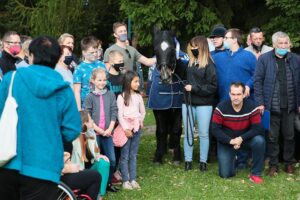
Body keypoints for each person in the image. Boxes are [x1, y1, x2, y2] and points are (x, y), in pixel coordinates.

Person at [0, 36, 81, 199]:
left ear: (31, 55)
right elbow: (72, 129)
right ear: (58, 58)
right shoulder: (63, 90)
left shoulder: (11, 79)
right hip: (44, 165)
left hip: (8, 160)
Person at [254, 31, 300, 176]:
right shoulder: (264, 59)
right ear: (274, 44)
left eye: (286, 43)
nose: (283, 46)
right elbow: (257, 81)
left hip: (290, 106)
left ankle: (289, 163)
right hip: (270, 107)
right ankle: (273, 165)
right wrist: (260, 102)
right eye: (280, 43)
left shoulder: (296, 59)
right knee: (272, 137)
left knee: (290, 136)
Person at [212, 82, 265, 184]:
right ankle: (232, 160)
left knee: (259, 141)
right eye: (233, 94)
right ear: (229, 94)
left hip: (245, 139)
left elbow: (257, 128)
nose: (235, 97)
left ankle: (255, 174)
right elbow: (215, 129)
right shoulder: (221, 107)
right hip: (227, 140)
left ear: (244, 94)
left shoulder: (252, 106)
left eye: (239, 94)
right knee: (225, 174)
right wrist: (230, 141)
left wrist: (241, 138)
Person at [183, 36, 217, 171]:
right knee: (188, 132)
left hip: (204, 103)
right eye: (191, 46)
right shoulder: (189, 63)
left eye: (195, 46)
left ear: (202, 47)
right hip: (188, 102)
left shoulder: (209, 64)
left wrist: (195, 88)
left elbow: (213, 87)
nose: (193, 49)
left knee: (203, 133)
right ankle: (188, 161)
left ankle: (203, 161)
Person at [84, 68, 119, 192]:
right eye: (99, 80)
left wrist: (110, 128)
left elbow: (114, 110)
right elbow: (87, 116)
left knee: (112, 159)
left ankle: (108, 183)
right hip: (95, 134)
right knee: (96, 159)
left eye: (104, 80)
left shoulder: (110, 94)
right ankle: (96, 184)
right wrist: (98, 129)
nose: (102, 82)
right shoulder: (89, 97)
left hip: (108, 132)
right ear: (93, 81)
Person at [67, 110, 110, 199]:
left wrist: (99, 156)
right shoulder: (73, 138)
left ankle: (99, 196)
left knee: (104, 163)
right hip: (78, 170)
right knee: (93, 174)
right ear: (85, 123)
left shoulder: (91, 134)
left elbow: (95, 153)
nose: (93, 121)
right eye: (90, 119)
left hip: (90, 168)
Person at [117, 71, 146, 190]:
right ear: (128, 82)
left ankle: (133, 179)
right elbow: (120, 115)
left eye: (138, 81)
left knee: (133, 155)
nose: (138, 84)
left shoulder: (138, 97)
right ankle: (125, 180)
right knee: (125, 156)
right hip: (126, 131)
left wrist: (139, 122)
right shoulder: (121, 97)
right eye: (135, 81)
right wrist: (126, 129)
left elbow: (142, 112)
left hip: (136, 129)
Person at [212, 28, 257, 102]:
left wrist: (248, 85)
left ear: (235, 40)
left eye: (226, 38)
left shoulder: (249, 56)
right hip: (223, 101)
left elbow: (257, 75)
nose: (224, 40)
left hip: (244, 100)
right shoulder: (217, 57)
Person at [73, 36, 106, 110]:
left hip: (102, 104)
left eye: (96, 51)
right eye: (91, 52)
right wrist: (79, 110)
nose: (95, 54)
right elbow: (77, 91)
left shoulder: (101, 65)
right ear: (84, 52)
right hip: (86, 106)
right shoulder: (79, 69)